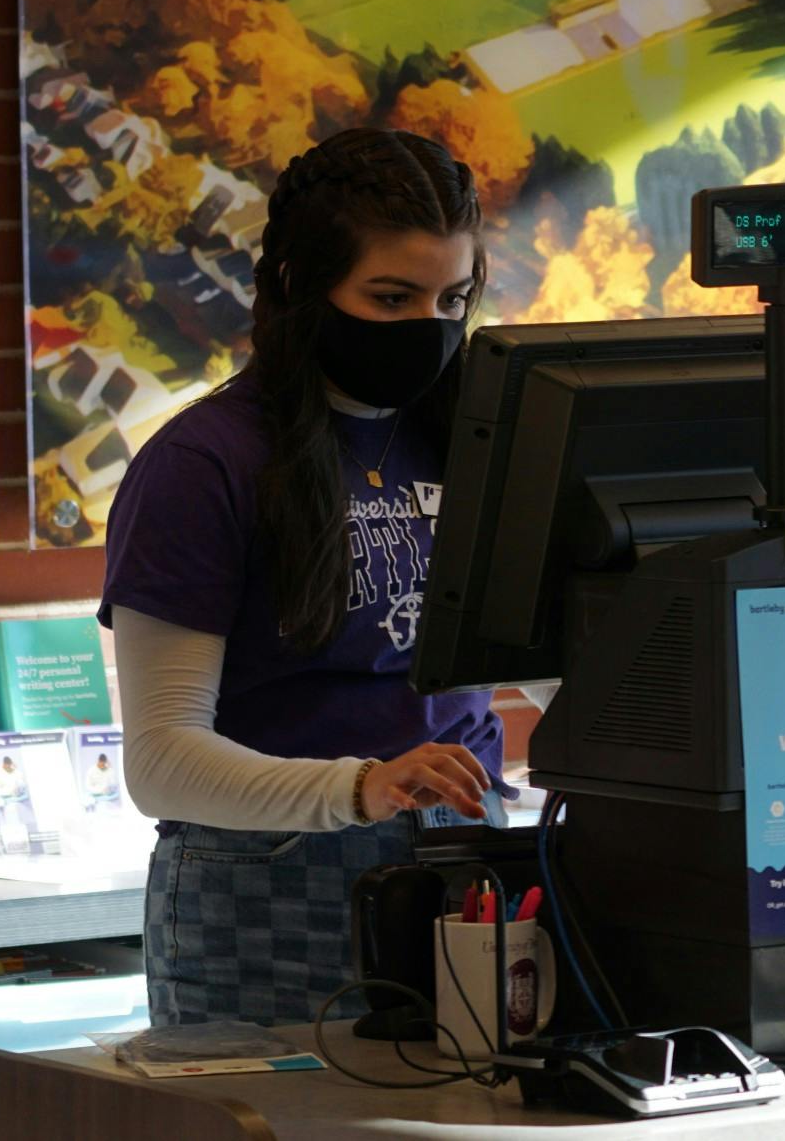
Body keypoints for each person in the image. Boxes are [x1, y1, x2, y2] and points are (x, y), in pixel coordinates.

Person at [99, 128, 512, 1027]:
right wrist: (360, 787)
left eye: (452, 298)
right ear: (295, 284)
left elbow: (552, 651)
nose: (428, 329)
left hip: (464, 872)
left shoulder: (479, 438)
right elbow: (161, 759)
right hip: (262, 888)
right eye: (392, 297)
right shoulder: (202, 464)